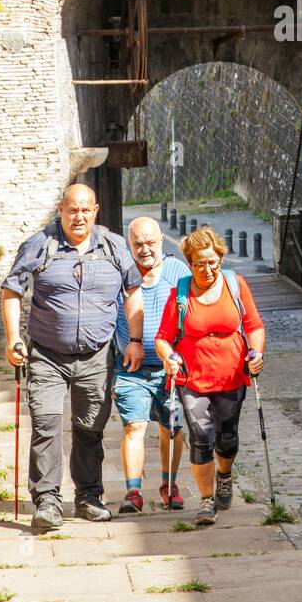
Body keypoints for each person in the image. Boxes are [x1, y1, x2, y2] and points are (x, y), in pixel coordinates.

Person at [1, 184, 144, 533]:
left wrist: (136, 339)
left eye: (85, 210)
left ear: (96, 211)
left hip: (96, 356)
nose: (78, 216)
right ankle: (47, 501)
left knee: (90, 429)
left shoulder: (112, 246)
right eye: (72, 209)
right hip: (47, 355)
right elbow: (11, 290)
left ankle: (88, 497)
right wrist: (13, 339)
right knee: (46, 426)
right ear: (61, 209)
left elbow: (133, 291)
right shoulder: (41, 245)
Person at [155, 227, 265, 526]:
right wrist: (168, 357)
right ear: (189, 263)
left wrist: (256, 353)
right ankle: (206, 500)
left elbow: (254, 325)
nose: (207, 269)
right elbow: (164, 336)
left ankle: (225, 475)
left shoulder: (235, 284)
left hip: (231, 374)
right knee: (200, 437)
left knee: (226, 437)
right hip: (192, 378)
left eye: (212, 262)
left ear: (220, 259)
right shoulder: (180, 291)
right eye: (199, 263)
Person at [112, 216, 191, 514]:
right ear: (129, 245)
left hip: (169, 368)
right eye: (137, 244)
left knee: (171, 427)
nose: (145, 249)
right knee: (134, 425)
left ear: (161, 241)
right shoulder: (122, 273)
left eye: (150, 242)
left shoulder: (177, 271)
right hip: (131, 368)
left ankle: (169, 487)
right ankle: (133, 492)